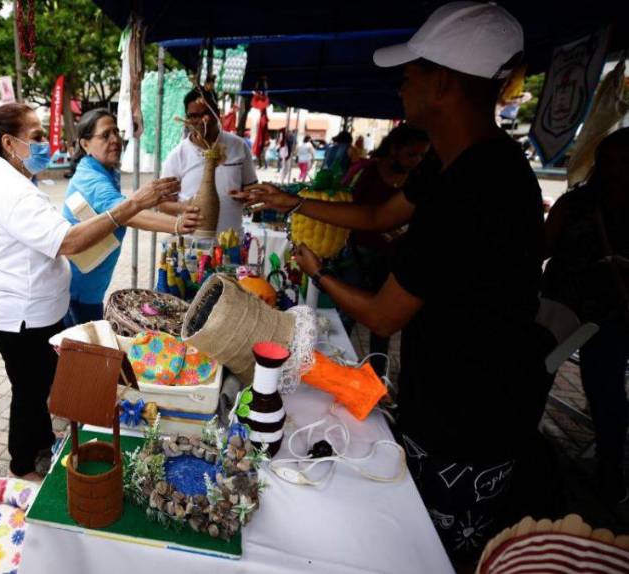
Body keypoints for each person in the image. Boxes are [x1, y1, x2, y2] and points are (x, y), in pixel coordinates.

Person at [236, 3, 547, 565]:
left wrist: (320, 273)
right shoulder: (451, 162)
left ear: (445, 83)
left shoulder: (478, 190)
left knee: (436, 552)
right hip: (444, 388)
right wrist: (296, 201)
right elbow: (379, 218)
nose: (401, 85)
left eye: (411, 73)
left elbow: (382, 316)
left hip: (474, 413)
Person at [0, 103, 178, 481]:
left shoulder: (16, 182)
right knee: (29, 391)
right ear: (8, 142)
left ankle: (39, 444)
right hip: (21, 316)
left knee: (36, 386)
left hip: (33, 312)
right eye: (36, 137)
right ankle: (22, 466)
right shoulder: (10, 190)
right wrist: (135, 204)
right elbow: (66, 241)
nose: (44, 145)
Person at [541, 127, 629, 504]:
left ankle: (611, 473)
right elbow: (542, 247)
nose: (615, 169)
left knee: (606, 392)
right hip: (562, 309)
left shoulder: (582, 203)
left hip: (611, 316)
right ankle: (528, 449)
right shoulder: (576, 203)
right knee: (539, 374)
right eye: (609, 160)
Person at [63, 109, 200, 325]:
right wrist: (177, 224)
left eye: (116, 132)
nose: (115, 139)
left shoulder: (104, 171)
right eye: (105, 135)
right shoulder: (90, 179)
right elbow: (126, 213)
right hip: (78, 293)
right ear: (85, 144)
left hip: (89, 289)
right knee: (83, 353)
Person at [337, 124, 430, 375]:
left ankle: (377, 377)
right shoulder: (366, 172)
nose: (417, 160)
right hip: (359, 255)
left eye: (422, 155)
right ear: (394, 149)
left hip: (393, 260)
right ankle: (335, 366)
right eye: (412, 154)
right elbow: (348, 206)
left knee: (381, 327)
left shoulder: (417, 180)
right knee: (346, 315)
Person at [159, 87, 258, 237]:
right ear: (187, 119)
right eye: (193, 116)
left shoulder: (239, 146)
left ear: (216, 113)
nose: (200, 120)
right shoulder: (177, 156)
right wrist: (184, 207)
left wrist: (247, 196)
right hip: (191, 244)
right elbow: (162, 204)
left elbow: (252, 189)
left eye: (205, 113)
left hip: (230, 241)